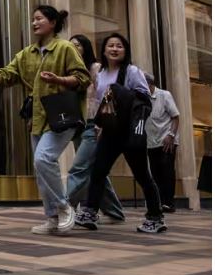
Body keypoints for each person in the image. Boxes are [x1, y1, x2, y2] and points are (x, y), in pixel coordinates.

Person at [0, 5, 91, 236]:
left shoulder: (65, 48)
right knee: (41, 169)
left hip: (62, 117)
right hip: (37, 118)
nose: (34, 23)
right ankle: (51, 219)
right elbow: (7, 74)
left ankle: (64, 206)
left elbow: (82, 78)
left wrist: (59, 79)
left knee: (43, 159)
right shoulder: (27, 53)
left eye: (39, 19)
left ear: (52, 23)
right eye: (33, 19)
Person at [75, 34, 166, 233]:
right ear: (104, 50)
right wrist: (100, 127)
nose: (114, 49)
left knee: (142, 175)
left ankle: (155, 217)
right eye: (110, 46)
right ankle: (90, 212)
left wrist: (119, 91)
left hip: (130, 131)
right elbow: (102, 104)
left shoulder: (132, 71)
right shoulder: (101, 73)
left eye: (119, 46)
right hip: (110, 131)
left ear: (125, 51)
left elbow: (144, 98)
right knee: (98, 171)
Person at [65, 34, 125, 223]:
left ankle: (63, 209)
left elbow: (104, 97)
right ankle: (115, 212)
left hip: (94, 124)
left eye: (78, 45)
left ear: (85, 48)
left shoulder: (96, 69)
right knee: (94, 170)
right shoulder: (69, 71)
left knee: (79, 168)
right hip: (77, 125)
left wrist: (103, 123)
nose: (74, 48)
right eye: (70, 45)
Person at [144, 71, 180, 213]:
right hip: (151, 142)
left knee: (167, 171)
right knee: (155, 172)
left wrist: (171, 135)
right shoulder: (142, 98)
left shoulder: (164, 95)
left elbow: (176, 117)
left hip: (167, 141)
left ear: (150, 84)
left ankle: (169, 203)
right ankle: (159, 202)